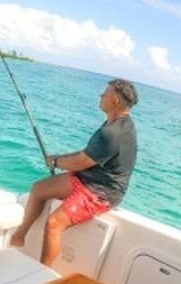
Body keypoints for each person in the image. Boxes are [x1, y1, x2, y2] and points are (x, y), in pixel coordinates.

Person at [10, 79, 139, 266]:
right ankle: (20, 235)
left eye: (105, 93)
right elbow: (88, 155)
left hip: (101, 193)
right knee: (39, 189)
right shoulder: (123, 123)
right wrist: (59, 158)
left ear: (115, 101)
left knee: (54, 223)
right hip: (90, 178)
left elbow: (80, 162)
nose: (101, 96)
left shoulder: (111, 133)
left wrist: (55, 161)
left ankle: (41, 273)